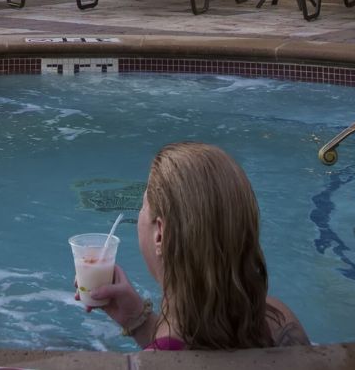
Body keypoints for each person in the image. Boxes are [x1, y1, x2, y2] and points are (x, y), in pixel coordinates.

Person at [78, 142, 310, 350]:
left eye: (142, 206)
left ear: (160, 234)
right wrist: (137, 320)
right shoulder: (280, 320)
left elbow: (174, 353)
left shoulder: (156, 362)